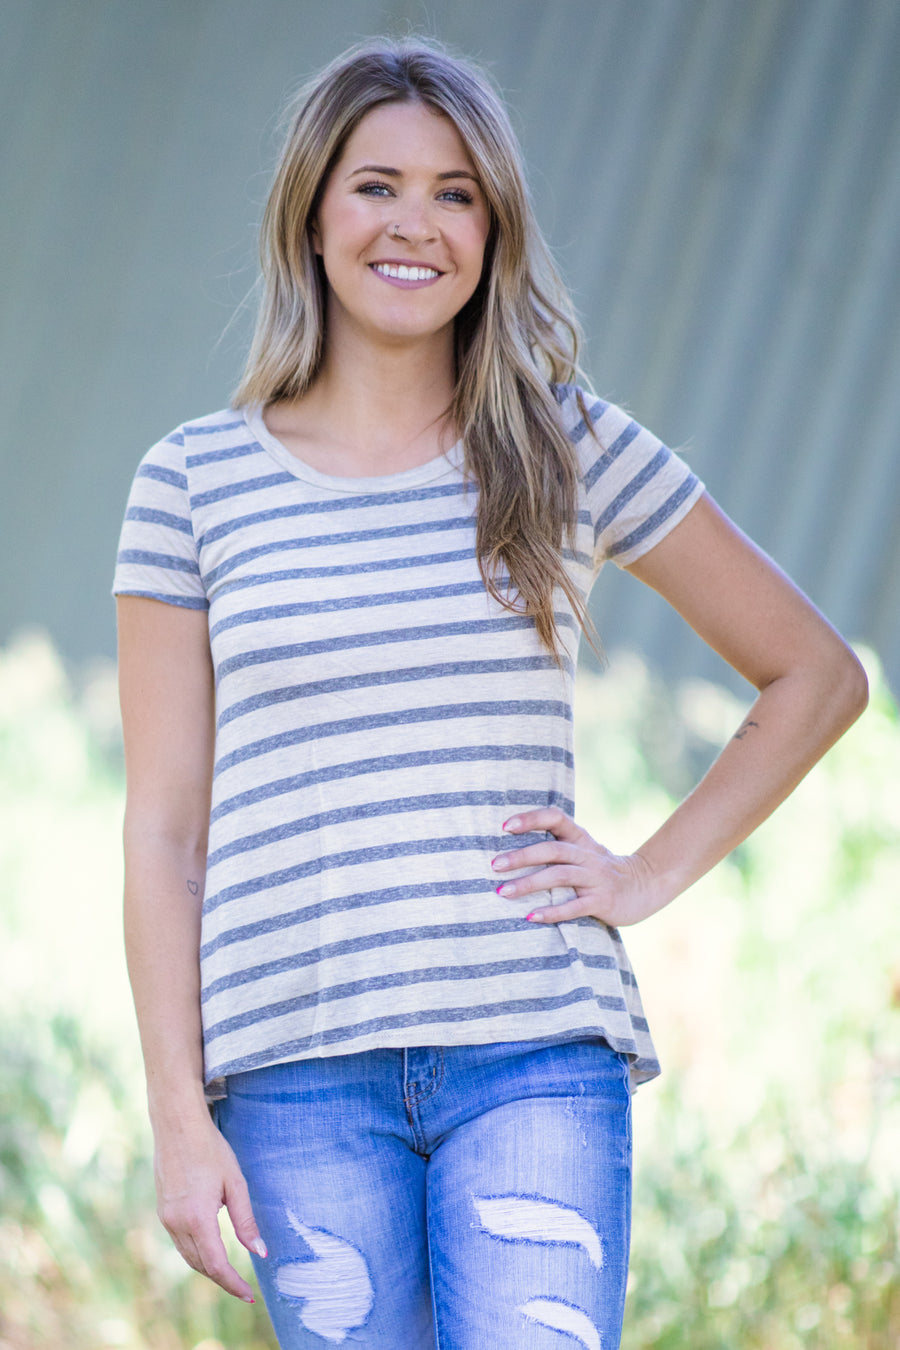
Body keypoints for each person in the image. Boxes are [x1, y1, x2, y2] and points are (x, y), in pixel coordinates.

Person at [113, 37, 867, 1350]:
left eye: (457, 193)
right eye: (378, 185)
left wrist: (641, 874)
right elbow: (164, 834)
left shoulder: (564, 442)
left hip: (532, 1055)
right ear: (311, 211)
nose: (417, 223)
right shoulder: (191, 485)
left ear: (495, 228)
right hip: (294, 1074)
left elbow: (817, 674)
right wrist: (181, 1122)